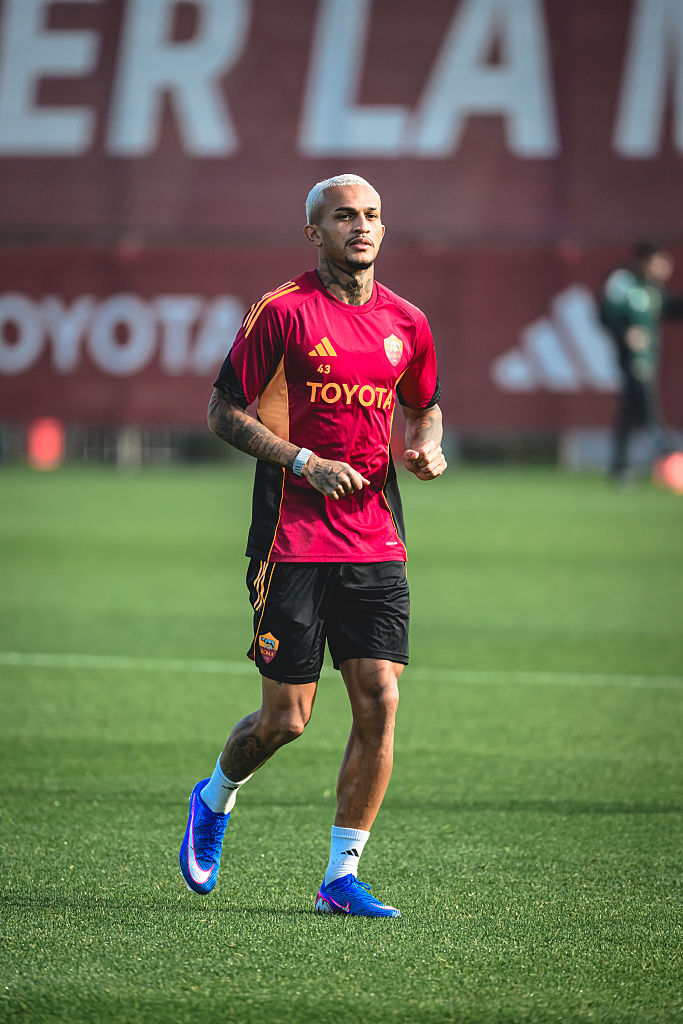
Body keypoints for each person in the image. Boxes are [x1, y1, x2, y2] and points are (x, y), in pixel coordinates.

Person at [179, 173, 446, 917]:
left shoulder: (408, 322)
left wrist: (427, 445)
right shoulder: (283, 311)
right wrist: (302, 461)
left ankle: (340, 877)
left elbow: (425, 406)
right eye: (343, 216)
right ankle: (215, 796)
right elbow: (222, 411)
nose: (360, 227)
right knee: (285, 721)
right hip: (291, 540)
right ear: (314, 232)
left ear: (382, 229)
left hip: (375, 539)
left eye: (371, 216)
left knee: (379, 700)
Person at [599, 242, 683, 481]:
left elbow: (671, 307)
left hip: (648, 358)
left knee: (629, 411)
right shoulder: (623, 282)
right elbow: (606, 313)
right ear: (647, 261)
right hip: (632, 359)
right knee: (648, 410)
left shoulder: (652, 289)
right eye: (661, 263)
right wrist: (625, 332)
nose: (665, 269)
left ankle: (620, 467)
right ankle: (668, 458)